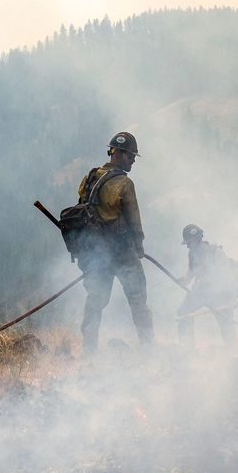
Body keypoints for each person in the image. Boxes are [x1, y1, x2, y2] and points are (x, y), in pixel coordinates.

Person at [76, 131, 154, 354]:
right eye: (130, 156)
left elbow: (82, 211)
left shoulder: (90, 178)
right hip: (121, 252)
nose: (132, 161)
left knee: (95, 301)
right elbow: (134, 221)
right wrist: (139, 247)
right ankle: (149, 349)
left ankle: (88, 351)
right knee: (137, 298)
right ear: (117, 154)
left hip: (96, 254)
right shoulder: (124, 184)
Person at [176, 223, 238, 350]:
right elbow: (191, 272)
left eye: (189, 242)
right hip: (200, 291)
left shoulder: (216, 253)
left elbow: (226, 276)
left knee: (226, 323)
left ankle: (234, 353)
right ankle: (187, 349)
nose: (187, 246)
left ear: (198, 239)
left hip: (219, 293)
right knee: (183, 313)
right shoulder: (192, 254)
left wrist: (229, 297)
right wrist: (184, 281)